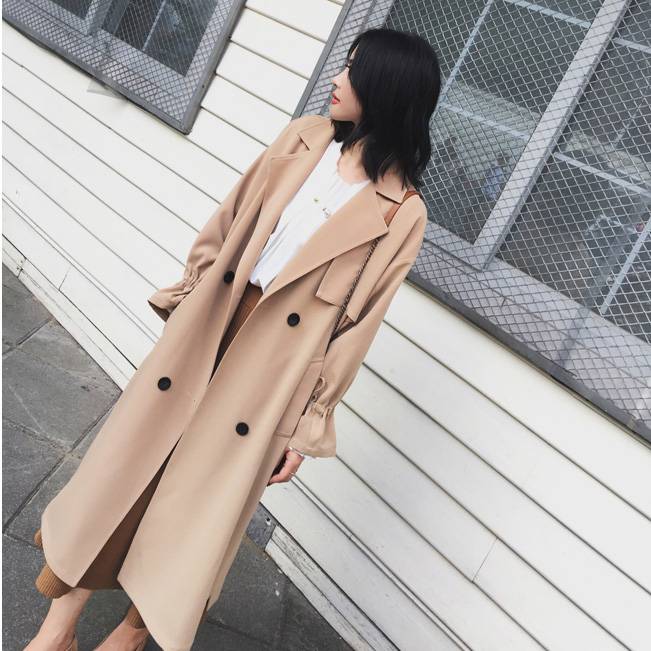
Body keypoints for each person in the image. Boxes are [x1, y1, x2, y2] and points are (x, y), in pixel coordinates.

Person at [25, 27, 441, 651]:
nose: (336, 79)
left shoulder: (401, 212)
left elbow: (355, 330)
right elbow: (226, 221)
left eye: (353, 70)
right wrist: (188, 298)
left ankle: (131, 636)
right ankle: (57, 629)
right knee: (126, 471)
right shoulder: (303, 139)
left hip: (273, 374)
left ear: (385, 89)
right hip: (213, 326)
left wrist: (306, 426)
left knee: (199, 507)